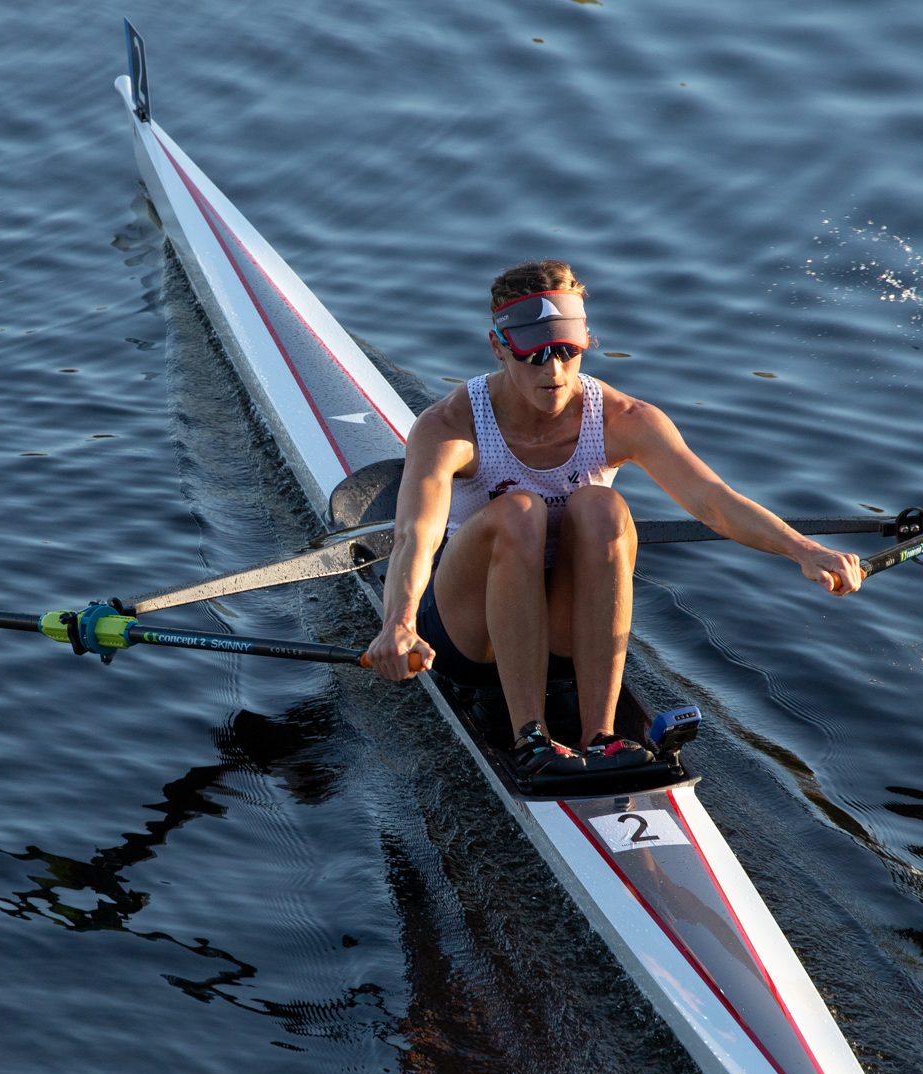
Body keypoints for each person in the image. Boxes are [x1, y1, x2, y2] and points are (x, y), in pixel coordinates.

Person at [362, 260, 863, 780]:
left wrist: (806, 550)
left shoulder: (624, 419)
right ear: (498, 346)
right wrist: (397, 621)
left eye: (566, 351)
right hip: (471, 633)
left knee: (603, 508)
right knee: (519, 511)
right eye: (534, 354)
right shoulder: (450, 425)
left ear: (583, 342)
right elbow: (415, 534)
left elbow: (714, 501)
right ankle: (529, 739)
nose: (553, 370)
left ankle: (599, 736)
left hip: (563, 633)